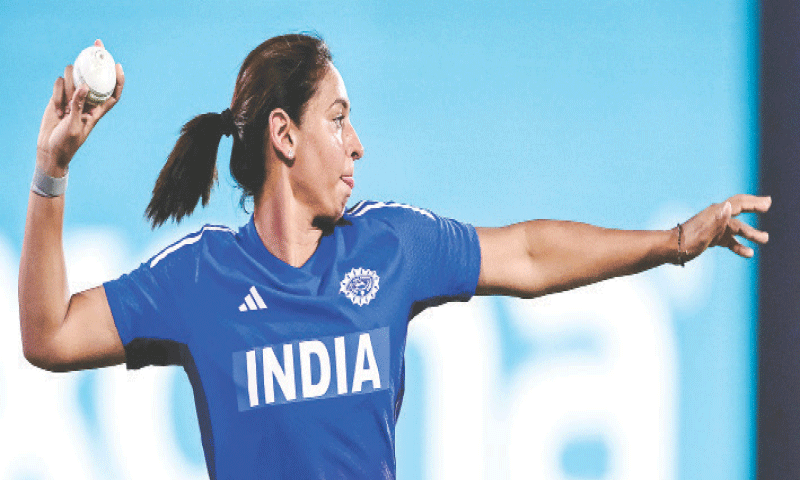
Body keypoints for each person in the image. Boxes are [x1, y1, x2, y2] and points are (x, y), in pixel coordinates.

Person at [19, 34, 771, 479]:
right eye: (338, 119)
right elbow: (49, 336)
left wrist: (674, 243)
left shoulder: (391, 245)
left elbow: (532, 254)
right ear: (284, 135)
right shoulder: (198, 277)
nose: (356, 144)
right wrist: (52, 174)